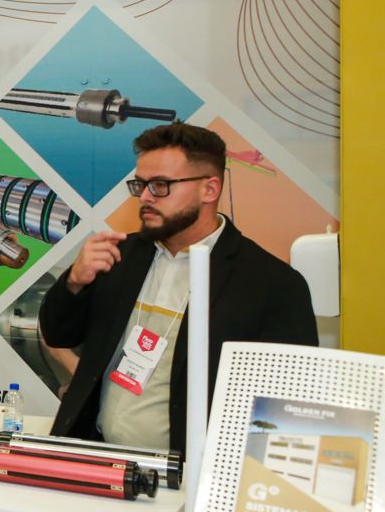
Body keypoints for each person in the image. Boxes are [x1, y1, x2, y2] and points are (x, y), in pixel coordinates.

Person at [43, 122, 319, 455]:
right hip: (97, 457)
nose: (145, 197)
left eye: (161, 185)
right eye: (141, 184)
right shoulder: (119, 255)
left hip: (192, 473)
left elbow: (285, 406)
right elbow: (57, 333)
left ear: (209, 189)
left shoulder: (273, 284)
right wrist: (74, 281)